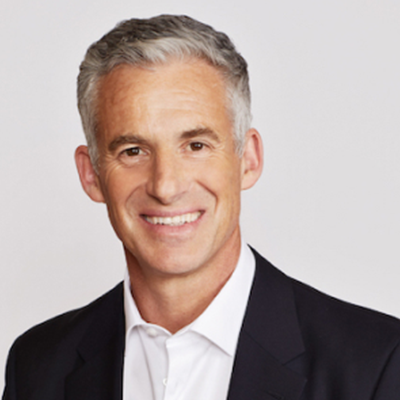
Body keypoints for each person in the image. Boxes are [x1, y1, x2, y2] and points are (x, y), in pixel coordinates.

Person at [2, 14, 400, 400]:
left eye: (196, 146)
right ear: (91, 174)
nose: (166, 186)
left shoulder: (377, 365)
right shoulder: (36, 366)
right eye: (133, 150)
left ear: (248, 159)